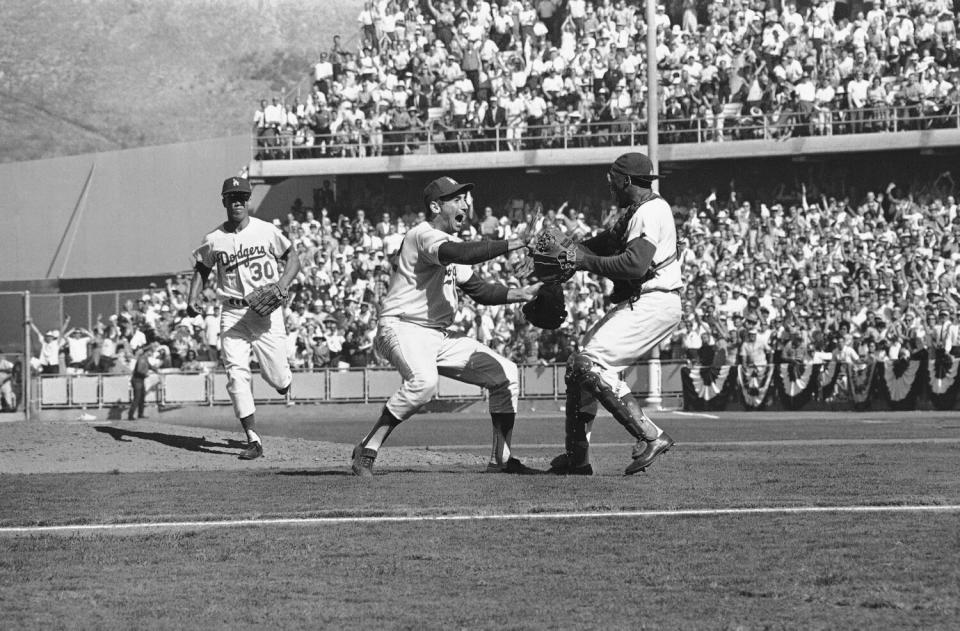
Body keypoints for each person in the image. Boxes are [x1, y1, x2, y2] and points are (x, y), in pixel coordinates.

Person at [351, 176, 542, 476]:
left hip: (437, 335)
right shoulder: (423, 234)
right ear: (435, 205)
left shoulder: (452, 244)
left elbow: (479, 290)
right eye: (456, 199)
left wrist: (522, 294)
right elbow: (458, 254)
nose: (464, 203)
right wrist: (515, 242)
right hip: (402, 327)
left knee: (505, 373)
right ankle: (368, 446)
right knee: (424, 384)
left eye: (465, 198)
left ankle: (502, 459)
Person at [549, 152, 683, 476]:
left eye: (613, 179)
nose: (610, 185)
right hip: (645, 300)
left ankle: (650, 435)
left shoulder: (652, 210)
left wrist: (583, 262)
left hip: (656, 299)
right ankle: (577, 459)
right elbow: (603, 244)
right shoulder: (635, 212)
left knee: (589, 364)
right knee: (577, 365)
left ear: (625, 180)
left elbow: (635, 264)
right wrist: (567, 253)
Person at [186, 177, 301, 460]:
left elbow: (293, 258)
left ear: (248, 201)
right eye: (232, 196)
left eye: (242, 196)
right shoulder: (214, 239)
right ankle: (252, 439)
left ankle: (281, 380)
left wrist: (283, 283)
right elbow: (202, 268)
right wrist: (193, 297)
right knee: (236, 374)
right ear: (223, 201)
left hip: (266, 312)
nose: (237, 201)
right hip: (232, 312)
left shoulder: (266, 230)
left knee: (277, 377)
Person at [128, 343, 156, 420]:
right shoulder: (142, 359)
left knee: (141, 397)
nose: (152, 353)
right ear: (148, 351)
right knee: (137, 398)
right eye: (150, 351)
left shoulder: (144, 358)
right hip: (137, 380)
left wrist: (156, 370)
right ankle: (131, 415)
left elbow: (150, 366)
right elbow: (139, 370)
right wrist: (145, 374)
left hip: (139, 380)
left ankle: (140, 414)